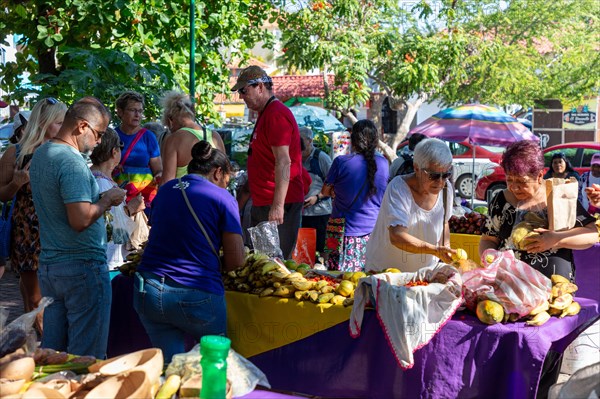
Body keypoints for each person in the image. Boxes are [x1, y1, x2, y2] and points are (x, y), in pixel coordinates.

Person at [29, 97, 126, 357]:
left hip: (52, 266)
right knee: (86, 360)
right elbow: (80, 219)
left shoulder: (41, 153)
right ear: (82, 127)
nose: (98, 142)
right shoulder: (71, 162)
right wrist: (107, 199)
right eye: (99, 134)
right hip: (81, 267)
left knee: (53, 356)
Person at [132, 141, 244, 363]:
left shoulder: (164, 191)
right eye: (226, 181)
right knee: (213, 366)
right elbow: (236, 262)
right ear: (218, 172)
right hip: (196, 294)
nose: (225, 186)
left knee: (169, 370)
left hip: (149, 290)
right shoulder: (223, 198)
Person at [479, 140, 597, 280]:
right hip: (509, 286)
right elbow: (488, 239)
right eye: (509, 179)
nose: (514, 187)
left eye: (522, 182)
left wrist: (556, 239)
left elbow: (591, 234)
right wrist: (489, 259)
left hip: (553, 289)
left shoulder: (559, 196)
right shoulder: (501, 200)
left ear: (540, 175)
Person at [0, 97, 66, 335]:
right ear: (44, 123)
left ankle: (39, 349)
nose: (63, 127)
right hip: (29, 231)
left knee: (46, 297)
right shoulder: (16, 153)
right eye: (59, 122)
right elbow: (2, 194)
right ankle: (47, 348)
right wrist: (16, 184)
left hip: (58, 231)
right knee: (35, 298)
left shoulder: (65, 153)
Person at [231, 66, 304, 259]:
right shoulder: (267, 113)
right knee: (262, 263)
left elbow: (283, 162)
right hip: (265, 202)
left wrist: (278, 205)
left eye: (243, 91)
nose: (241, 97)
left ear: (260, 87)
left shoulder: (276, 114)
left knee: (273, 266)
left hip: (278, 204)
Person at [365, 138, 456, 272]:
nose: (441, 182)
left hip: (423, 274)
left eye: (446, 174)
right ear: (416, 168)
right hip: (385, 272)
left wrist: (445, 249)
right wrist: (434, 250)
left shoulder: (446, 190)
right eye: (434, 176)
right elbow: (397, 236)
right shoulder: (398, 188)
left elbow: (444, 222)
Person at [322, 119, 389, 271]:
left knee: (336, 283)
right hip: (373, 232)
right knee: (368, 281)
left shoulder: (340, 162)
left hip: (340, 232)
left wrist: (336, 191)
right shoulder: (384, 163)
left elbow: (325, 192)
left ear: (353, 140)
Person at [90, 128, 146, 269]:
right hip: (108, 262)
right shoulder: (103, 184)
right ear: (114, 152)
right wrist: (131, 209)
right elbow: (115, 234)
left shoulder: (91, 177)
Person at [159, 91, 225, 183]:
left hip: (184, 195)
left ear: (170, 120)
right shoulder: (215, 136)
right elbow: (224, 174)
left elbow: (167, 182)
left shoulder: (174, 139)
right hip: (212, 195)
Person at [113, 91, 163, 207]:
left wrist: (159, 176)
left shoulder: (148, 137)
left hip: (143, 200)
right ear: (120, 112)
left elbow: (158, 170)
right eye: (132, 110)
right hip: (117, 199)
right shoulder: (112, 136)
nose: (137, 115)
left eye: (140, 111)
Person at [299, 127, 332, 254]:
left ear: (310, 140)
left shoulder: (321, 158)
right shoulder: (294, 158)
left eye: (301, 140)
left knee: (322, 249)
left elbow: (333, 184)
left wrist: (317, 197)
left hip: (321, 213)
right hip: (301, 214)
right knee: (304, 252)